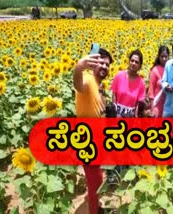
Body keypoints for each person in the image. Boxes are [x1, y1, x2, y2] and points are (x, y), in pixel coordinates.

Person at [74, 47, 113, 214]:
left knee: (97, 178)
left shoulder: (99, 84)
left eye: (108, 65)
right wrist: (78, 67)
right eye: (102, 63)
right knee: (95, 182)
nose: (105, 67)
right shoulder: (88, 80)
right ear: (94, 64)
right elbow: (78, 84)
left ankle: (96, 207)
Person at [110, 49, 146, 118]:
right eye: (132, 61)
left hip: (130, 117)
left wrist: (136, 117)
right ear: (129, 61)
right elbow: (114, 94)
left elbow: (138, 103)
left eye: (136, 62)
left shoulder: (141, 83)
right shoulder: (119, 75)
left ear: (140, 66)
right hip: (117, 114)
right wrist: (114, 112)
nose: (133, 63)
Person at [148, 45, 170, 117]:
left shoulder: (171, 69)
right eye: (162, 56)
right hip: (157, 106)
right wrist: (151, 110)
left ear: (168, 57)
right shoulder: (155, 70)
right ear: (158, 56)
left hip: (169, 107)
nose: (164, 59)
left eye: (166, 56)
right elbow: (151, 91)